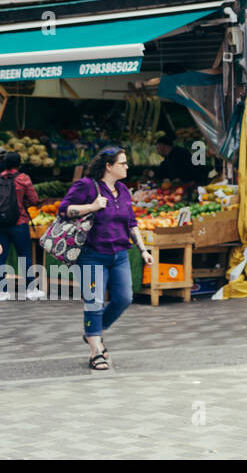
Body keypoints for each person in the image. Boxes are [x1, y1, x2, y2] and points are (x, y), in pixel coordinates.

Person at [60, 146, 154, 371]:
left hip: (120, 254)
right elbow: (64, 209)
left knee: (124, 298)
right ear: (109, 167)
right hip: (92, 255)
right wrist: (92, 206)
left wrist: (143, 250)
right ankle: (96, 352)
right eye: (122, 163)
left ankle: (93, 331)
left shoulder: (123, 190)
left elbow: (131, 223)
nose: (127, 166)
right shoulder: (86, 186)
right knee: (94, 302)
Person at [0, 151, 41, 300]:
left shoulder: (0, 177)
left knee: (1, 257)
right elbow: (34, 199)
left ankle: (1, 291)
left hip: (1, 223)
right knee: (25, 256)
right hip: (19, 222)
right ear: (19, 163)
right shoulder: (23, 178)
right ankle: (31, 290)